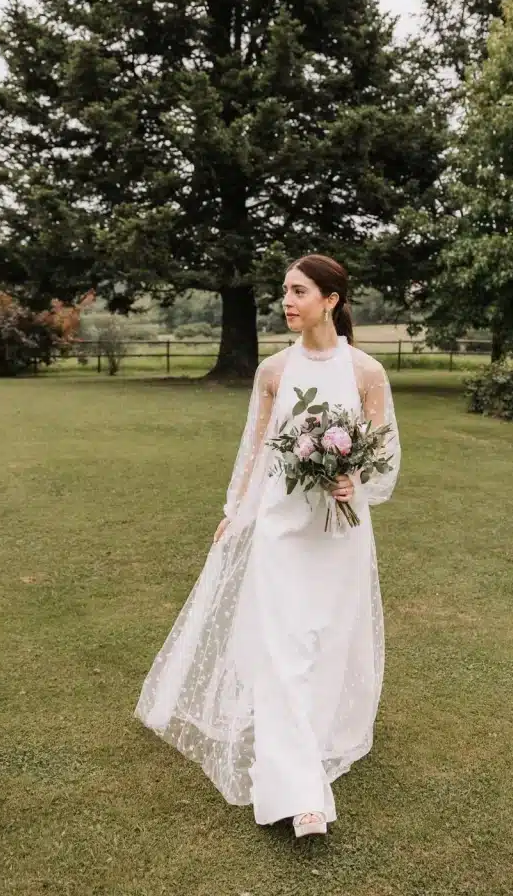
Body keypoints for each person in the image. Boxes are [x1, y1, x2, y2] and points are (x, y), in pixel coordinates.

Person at [133, 254, 401, 838]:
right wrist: (234, 513)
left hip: (338, 530)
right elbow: (253, 452)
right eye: (285, 291)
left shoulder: (367, 373)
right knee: (282, 651)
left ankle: (311, 744)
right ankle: (302, 797)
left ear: (330, 299)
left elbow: (384, 455)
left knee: (322, 645)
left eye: (300, 291)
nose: (287, 301)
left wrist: (355, 480)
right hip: (282, 530)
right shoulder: (274, 372)